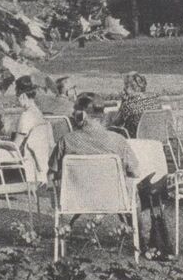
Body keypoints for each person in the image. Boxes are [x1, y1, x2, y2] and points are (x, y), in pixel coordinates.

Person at [48, 93, 151, 243]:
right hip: (114, 199)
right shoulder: (118, 141)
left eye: (74, 111)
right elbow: (135, 172)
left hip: (75, 199)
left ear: (81, 115)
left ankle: (64, 232)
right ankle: (141, 241)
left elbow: (51, 174)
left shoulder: (67, 141)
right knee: (133, 188)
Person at [13, 76, 54, 183]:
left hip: (30, 160)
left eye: (16, 96)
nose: (16, 99)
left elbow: (16, 145)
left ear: (22, 96)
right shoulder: (38, 113)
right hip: (42, 160)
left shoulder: (26, 115)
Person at [112, 72, 161, 138]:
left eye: (125, 86)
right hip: (156, 136)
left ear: (128, 88)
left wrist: (123, 102)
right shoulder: (155, 100)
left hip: (136, 138)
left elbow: (116, 123)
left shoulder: (129, 104)